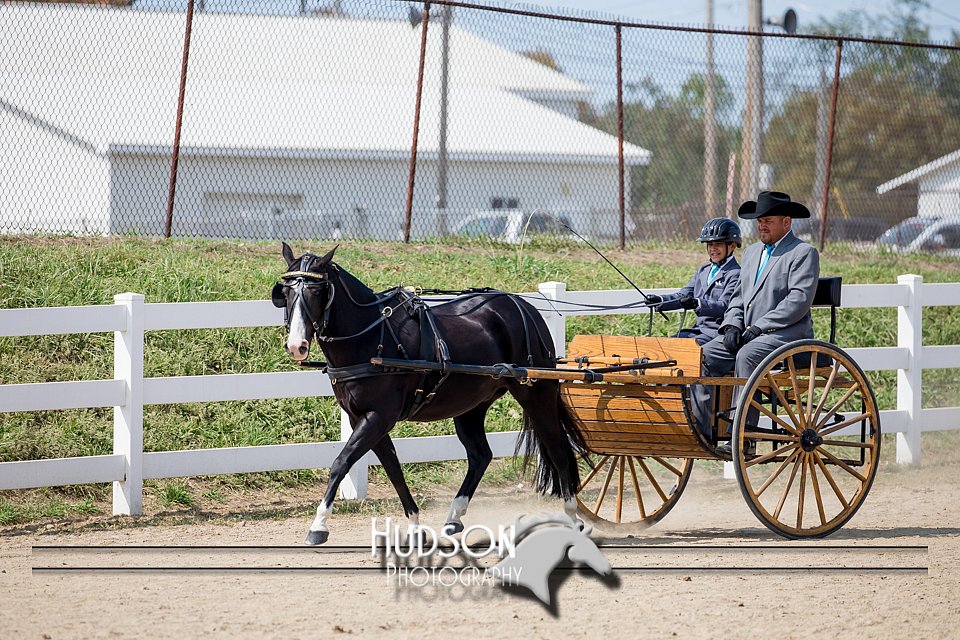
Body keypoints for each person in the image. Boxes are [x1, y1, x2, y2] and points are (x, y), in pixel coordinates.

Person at [691, 191, 820, 455]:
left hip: (785, 335)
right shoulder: (751, 253)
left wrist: (761, 326)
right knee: (703, 356)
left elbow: (798, 301)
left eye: (768, 220)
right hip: (749, 332)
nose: (761, 225)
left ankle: (743, 438)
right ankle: (701, 430)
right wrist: (732, 326)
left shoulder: (803, 253)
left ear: (787, 222)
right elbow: (739, 297)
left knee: (748, 356)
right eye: (759, 220)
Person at [645, 218, 742, 345]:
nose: (713, 249)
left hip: (716, 333)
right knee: (666, 345)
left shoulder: (736, 273)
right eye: (710, 245)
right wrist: (660, 301)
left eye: (718, 244)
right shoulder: (703, 270)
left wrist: (697, 303)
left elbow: (725, 306)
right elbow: (683, 295)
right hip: (697, 330)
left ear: (732, 245)